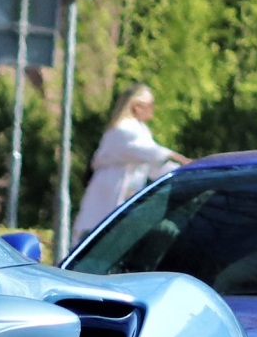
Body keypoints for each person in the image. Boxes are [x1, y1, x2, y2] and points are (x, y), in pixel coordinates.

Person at [76, 84, 180, 235]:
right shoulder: (122, 130)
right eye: (150, 104)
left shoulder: (141, 131)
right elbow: (148, 153)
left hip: (122, 211)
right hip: (104, 210)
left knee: (165, 231)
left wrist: (186, 170)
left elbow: (154, 168)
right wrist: (176, 157)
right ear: (137, 107)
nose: (153, 108)